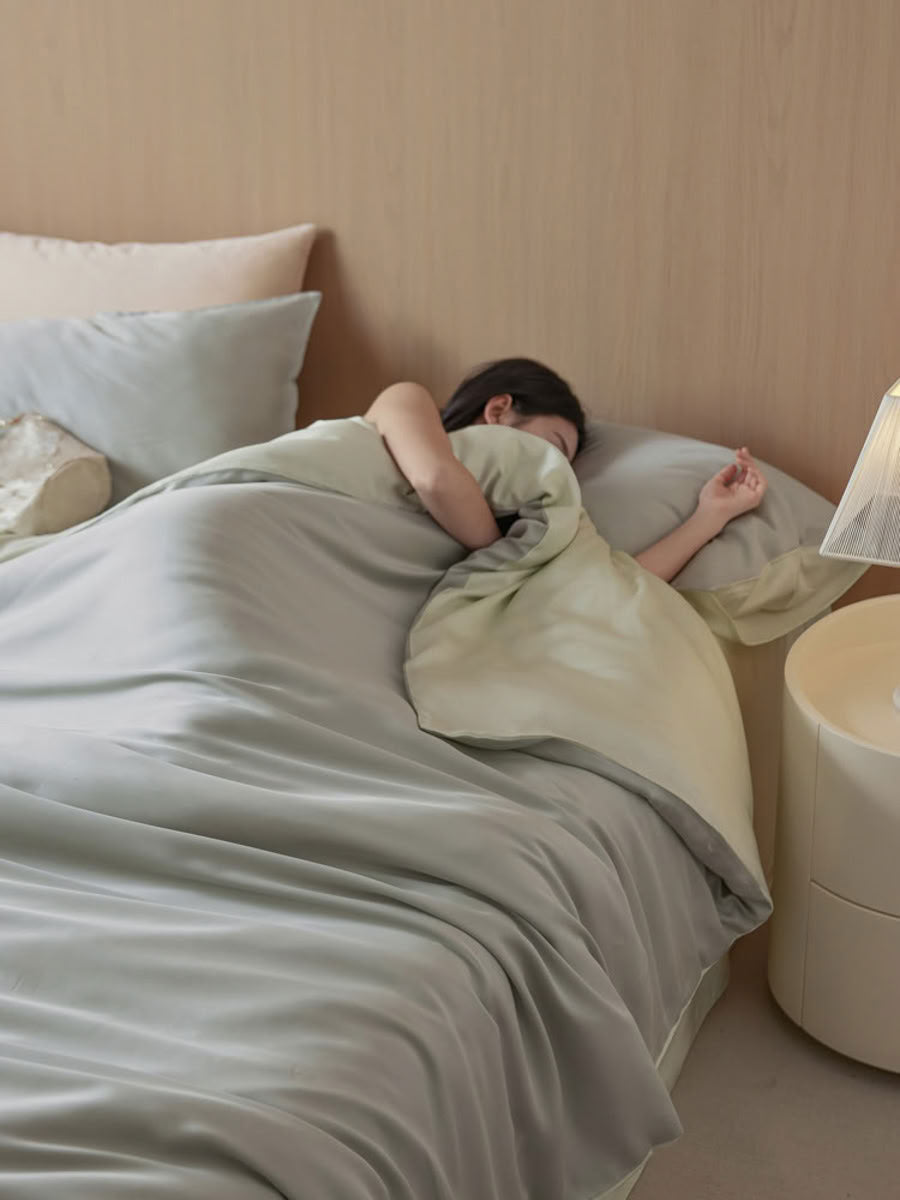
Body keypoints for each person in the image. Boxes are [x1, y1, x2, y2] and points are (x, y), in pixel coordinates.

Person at [364, 357, 767, 582]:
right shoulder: (406, 399)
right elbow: (435, 479)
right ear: (499, 409)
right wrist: (515, 565)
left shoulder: (523, 523)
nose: (552, 468)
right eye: (552, 447)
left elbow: (610, 584)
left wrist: (710, 516)